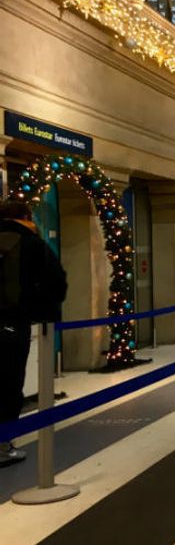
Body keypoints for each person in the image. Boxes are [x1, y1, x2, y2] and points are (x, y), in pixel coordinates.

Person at [0, 200, 67, 467]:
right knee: (8, 385)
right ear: (26, 217)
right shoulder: (32, 243)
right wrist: (42, 314)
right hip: (12, 325)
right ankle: (3, 447)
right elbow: (56, 282)